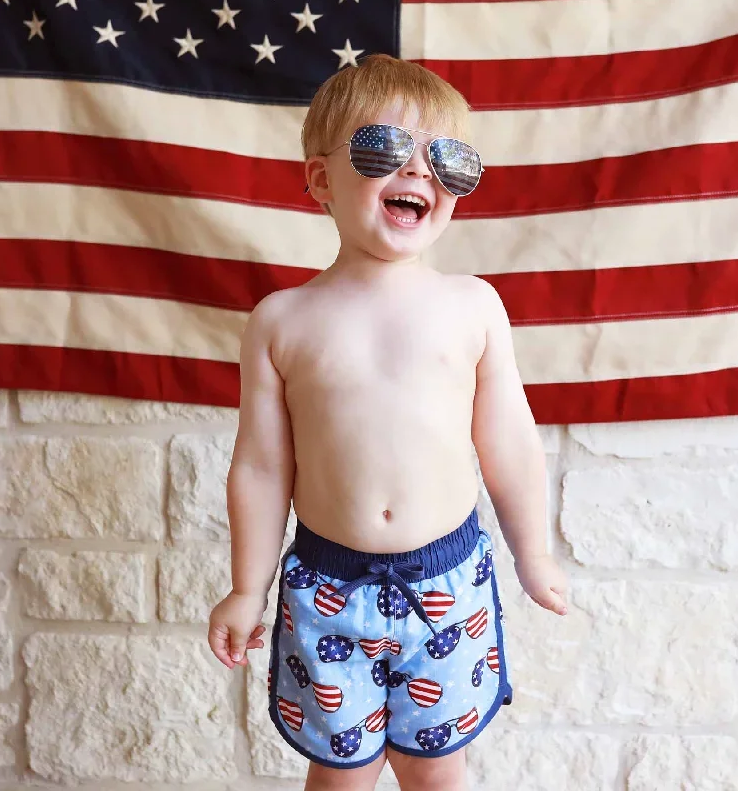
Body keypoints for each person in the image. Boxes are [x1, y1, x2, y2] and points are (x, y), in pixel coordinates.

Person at [208, 54, 568, 791]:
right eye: (382, 152)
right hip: (327, 590)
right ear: (320, 181)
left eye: (449, 162)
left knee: (438, 771)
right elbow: (261, 466)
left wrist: (535, 556)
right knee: (340, 775)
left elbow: (508, 443)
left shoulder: (473, 306)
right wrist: (248, 586)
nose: (419, 175)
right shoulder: (283, 322)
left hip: (447, 583)